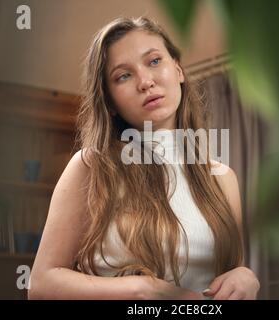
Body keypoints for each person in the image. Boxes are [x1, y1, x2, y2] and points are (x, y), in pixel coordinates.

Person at [28, 16, 260, 300]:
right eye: (123, 75)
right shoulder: (91, 166)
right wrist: (144, 288)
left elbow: (229, 274)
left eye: (153, 61)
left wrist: (244, 276)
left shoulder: (223, 178)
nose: (145, 82)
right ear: (110, 102)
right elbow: (41, 284)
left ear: (178, 70)